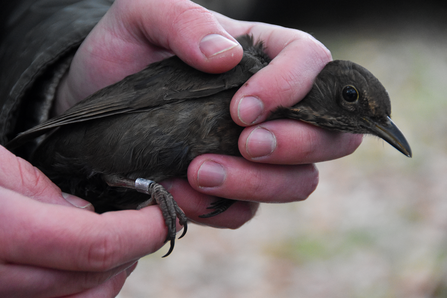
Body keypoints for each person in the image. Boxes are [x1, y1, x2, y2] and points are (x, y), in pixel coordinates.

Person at [0, 0, 362, 296]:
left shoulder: (270, 112)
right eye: (352, 98)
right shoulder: (242, 68)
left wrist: (56, 78)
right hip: (84, 148)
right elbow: (123, 105)